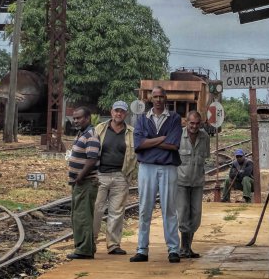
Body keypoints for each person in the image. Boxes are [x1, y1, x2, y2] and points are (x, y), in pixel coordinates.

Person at [131, 86, 183, 263]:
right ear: (150, 99)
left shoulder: (174, 118)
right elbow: (138, 144)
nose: (159, 99)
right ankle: (142, 249)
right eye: (155, 96)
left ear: (165, 98)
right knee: (145, 208)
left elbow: (174, 145)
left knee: (169, 208)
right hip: (147, 167)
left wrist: (149, 142)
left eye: (161, 96)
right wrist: (162, 138)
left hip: (168, 167)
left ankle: (173, 249)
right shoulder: (142, 118)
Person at [92, 100, 137, 255]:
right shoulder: (100, 129)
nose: (119, 114)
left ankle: (113, 244)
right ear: (111, 112)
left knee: (117, 211)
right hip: (100, 175)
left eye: (122, 111)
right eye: (116, 111)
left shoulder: (131, 132)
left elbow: (135, 156)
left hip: (120, 176)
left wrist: (130, 175)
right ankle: (91, 241)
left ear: (126, 114)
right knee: (96, 209)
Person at [66, 106, 100, 260]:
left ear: (87, 118)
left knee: (82, 216)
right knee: (79, 214)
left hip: (85, 182)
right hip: (80, 181)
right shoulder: (82, 134)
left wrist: (80, 177)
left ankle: (84, 250)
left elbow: (92, 159)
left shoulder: (91, 135)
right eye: (74, 118)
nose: (76, 121)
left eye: (79, 118)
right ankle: (86, 247)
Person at [176, 110, 211, 258]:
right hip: (181, 182)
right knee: (183, 212)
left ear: (201, 124)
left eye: (197, 124)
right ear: (186, 122)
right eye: (192, 123)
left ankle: (188, 246)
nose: (194, 126)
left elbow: (206, 156)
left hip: (197, 182)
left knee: (196, 215)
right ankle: (184, 248)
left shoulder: (205, 137)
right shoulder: (178, 136)